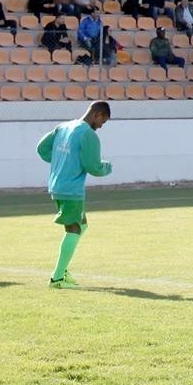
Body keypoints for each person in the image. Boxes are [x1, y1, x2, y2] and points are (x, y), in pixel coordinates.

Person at [36, 101, 113, 289]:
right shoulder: (88, 134)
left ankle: (62, 271)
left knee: (82, 224)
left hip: (57, 185)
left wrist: (61, 162)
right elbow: (93, 167)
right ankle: (57, 278)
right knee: (74, 229)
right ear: (97, 114)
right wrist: (107, 168)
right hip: (71, 190)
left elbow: (42, 149)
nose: (102, 126)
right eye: (103, 120)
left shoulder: (64, 126)